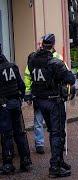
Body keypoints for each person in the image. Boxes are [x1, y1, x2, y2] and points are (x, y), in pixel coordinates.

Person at [27, 33, 75, 178]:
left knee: (53, 131)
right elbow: (70, 78)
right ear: (53, 45)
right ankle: (55, 166)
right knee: (57, 133)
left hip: (40, 101)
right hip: (53, 101)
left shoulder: (32, 59)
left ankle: (59, 161)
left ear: (42, 44)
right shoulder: (54, 62)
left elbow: (30, 72)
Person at [24, 34, 64, 154]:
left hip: (47, 95)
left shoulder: (56, 57)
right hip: (45, 95)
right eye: (39, 44)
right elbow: (28, 75)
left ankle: (56, 143)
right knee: (39, 120)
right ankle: (40, 143)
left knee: (51, 123)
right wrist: (28, 92)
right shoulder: (33, 58)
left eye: (41, 43)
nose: (40, 45)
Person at [0, 46, 32, 175]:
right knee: (19, 133)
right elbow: (21, 85)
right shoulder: (12, 66)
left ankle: (8, 164)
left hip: (4, 106)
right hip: (15, 103)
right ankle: (25, 161)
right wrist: (20, 99)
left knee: (6, 134)